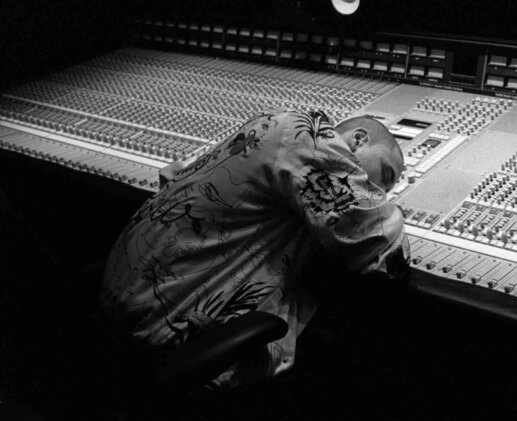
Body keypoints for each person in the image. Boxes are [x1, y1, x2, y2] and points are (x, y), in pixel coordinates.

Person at [99, 110, 409, 389]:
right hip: (165, 334)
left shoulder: (270, 128)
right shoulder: (303, 137)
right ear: (357, 139)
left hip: (117, 308)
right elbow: (377, 244)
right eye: (386, 174)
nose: (380, 191)